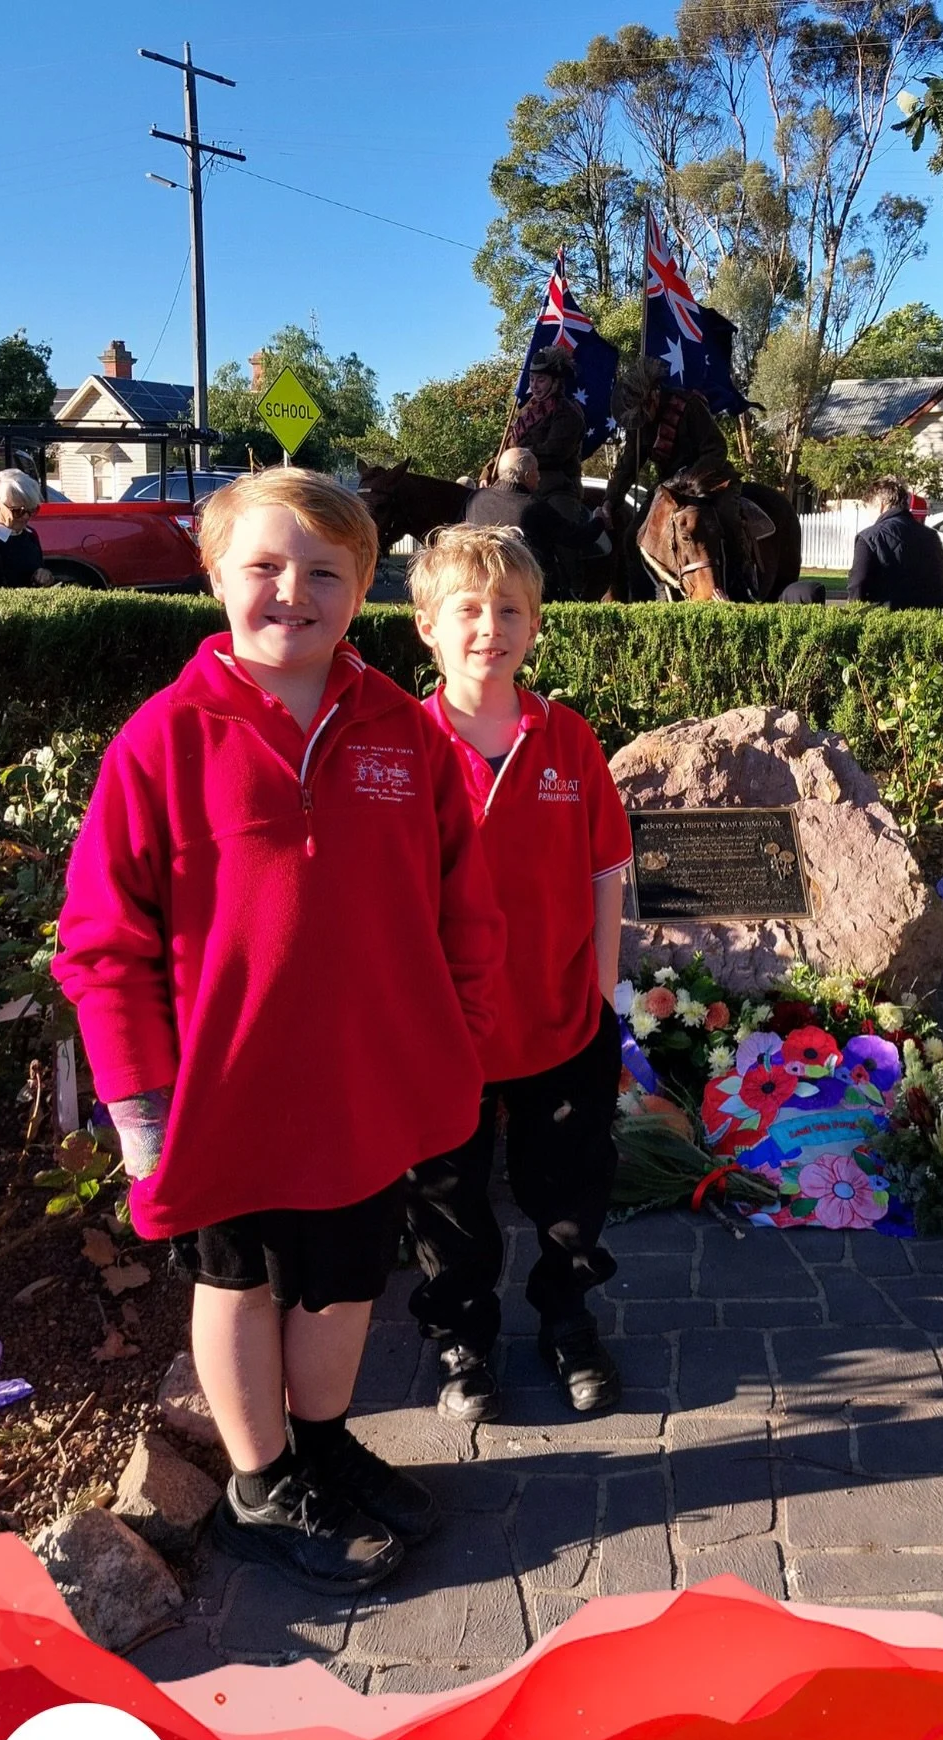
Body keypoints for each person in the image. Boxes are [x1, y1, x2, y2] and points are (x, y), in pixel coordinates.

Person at [52, 468, 505, 1594]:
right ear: (213, 576)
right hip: (224, 1091)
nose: (292, 591)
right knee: (241, 1281)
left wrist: (462, 1038)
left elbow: (465, 906)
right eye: (263, 566)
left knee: (345, 1282)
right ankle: (259, 1481)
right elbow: (103, 941)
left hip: (366, 1085)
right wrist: (140, 1108)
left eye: (324, 572)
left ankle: (325, 1441)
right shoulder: (163, 741)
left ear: (363, 591)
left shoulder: (405, 731)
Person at [405, 525, 633, 1420]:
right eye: (467, 609)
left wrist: (607, 989)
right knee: (448, 1199)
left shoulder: (567, 739)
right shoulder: (403, 745)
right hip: (444, 1028)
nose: (488, 627)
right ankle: (462, 1333)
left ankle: (567, 1315)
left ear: (534, 625)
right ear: (427, 625)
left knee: (571, 1190)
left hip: (559, 1018)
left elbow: (604, 870)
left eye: (509, 610)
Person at [604, 356, 758, 596]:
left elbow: (717, 449)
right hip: (670, 487)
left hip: (710, 480)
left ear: (654, 395)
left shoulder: (689, 406)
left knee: (727, 521)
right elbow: (628, 466)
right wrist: (609, 501)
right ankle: (639, 600)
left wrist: (689, 479)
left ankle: (740, 586)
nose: (641, 418)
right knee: (632, 536)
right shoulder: (640, 422)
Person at [465, 448, 610, 601]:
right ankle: (576, 588)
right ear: (527, 476)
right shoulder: (533, 508)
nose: (539, 477)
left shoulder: (475, 500)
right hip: (530, 595)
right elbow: (576, 537)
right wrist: (599, 520)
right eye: (537, 471)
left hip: (482, 588)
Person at [846, 476, 943, 610]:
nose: (869, 514)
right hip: (930, 622)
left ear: (881, 504)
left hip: (887, 622)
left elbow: (857, 588)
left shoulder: (869, 538)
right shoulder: (931, 537)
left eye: (869, 507)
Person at [504, 344, 587, 509]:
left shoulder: (568, 413)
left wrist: (514, 459)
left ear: (555, 382)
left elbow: (553, 453)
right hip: (518, 483)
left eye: (541, 380)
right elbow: (506, 445)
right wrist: (489, 470)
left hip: (557, 489)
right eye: (532, 379)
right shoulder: (526, 412)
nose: (534, 385)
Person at [0, 469, 53, 590]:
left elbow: (36, 572)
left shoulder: (30, 534)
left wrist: (44, 576)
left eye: (32, 510)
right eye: (18, 511)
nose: (26, 516)